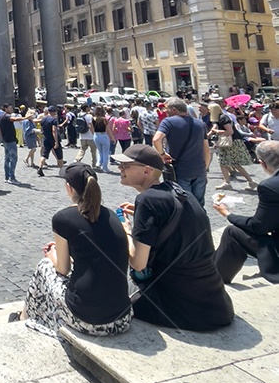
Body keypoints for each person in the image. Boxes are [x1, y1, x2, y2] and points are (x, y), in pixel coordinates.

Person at [117, 145, 233, 331]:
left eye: (126, 165)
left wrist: (127, 231)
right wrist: (142, 216)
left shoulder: (147, 200)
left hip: (181, 307)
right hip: (216, 303)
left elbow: (138, 263)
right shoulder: (176, 189)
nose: (119, 169)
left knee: (110, 286)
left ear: (146, 170)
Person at [16, 163, 132, 338]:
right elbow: (94, 255)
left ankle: (24, 317)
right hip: (122, 319)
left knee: (44, 266)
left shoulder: (62, 218)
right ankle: (27, 316)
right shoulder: (112, 216)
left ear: (68, 188)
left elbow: (62, 269)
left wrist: (53, 254)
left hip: (88, 320)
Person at [213, 140, 279, 284]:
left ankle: (215, 278)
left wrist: (227, 214)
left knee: (232, 232)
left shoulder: (270, 186)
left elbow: (258, 226)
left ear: (262, 163)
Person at [153, 98, 210, 207]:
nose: (165, 112)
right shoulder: (200, 124)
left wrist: (162, 154)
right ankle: (200, 222)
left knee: (185, 203)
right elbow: (206, 150)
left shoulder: (168, 122)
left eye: (167, 109)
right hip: (199, 170)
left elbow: (156, 140)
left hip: (180, 170)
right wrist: (205, 168)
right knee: (199, 204)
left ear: (174, 109)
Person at [208, 102, 258, 191]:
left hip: (232, 142)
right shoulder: (219, 118)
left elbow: (230, 132)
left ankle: (248, 181)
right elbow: (215, 127)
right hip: (229, 142)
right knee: (224, 162)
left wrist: (217, 131)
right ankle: (229, 182)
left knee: (230, 163)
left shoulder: (223, 118)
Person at [38, 106, 64, 177]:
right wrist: (56, 141)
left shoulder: (43, 119)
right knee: (59, 155)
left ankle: (40, 167)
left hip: (46, 138)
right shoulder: (53, 120)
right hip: (53, 139)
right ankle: (62, 171)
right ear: (53, 112)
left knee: (44, 154)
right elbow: (54, 131)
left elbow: (42, 129)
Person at [0, 106, 19, 185]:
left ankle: (7, 177)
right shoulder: (7, 116)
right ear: (5, 108)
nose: (12, 109)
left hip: (5, 140)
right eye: (10, 108)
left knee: (7, 159)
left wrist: (2, 139)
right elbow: (15, 119)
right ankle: (11, 177)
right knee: (13, 158)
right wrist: (25, 117)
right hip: (10, 140)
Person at [92, 106, 111, 173]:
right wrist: (112, 138)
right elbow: (108, 129)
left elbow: (92, 128)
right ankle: (105, 167)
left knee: (100, 151)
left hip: (96, 135)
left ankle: (98, 163)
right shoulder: (104, 119)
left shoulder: (93, 118)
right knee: (105, 152)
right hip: (103, 135)